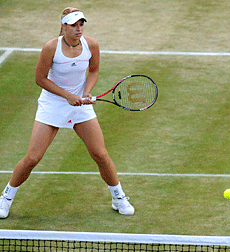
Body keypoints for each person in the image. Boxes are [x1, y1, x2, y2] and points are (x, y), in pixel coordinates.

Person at [0, 7, 134, 218]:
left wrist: (86, 92)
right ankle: (5, 198)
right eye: (73, 25)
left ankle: (119, 197)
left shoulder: (92, 44)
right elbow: (41, 79)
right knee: (33, 158)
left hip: (81, 105)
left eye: (81, 24)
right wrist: (67, 96)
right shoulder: (51, 48)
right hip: (52, 104)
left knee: (100, 154)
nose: (78, 28)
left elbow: (93, 70)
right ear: (63, 26)